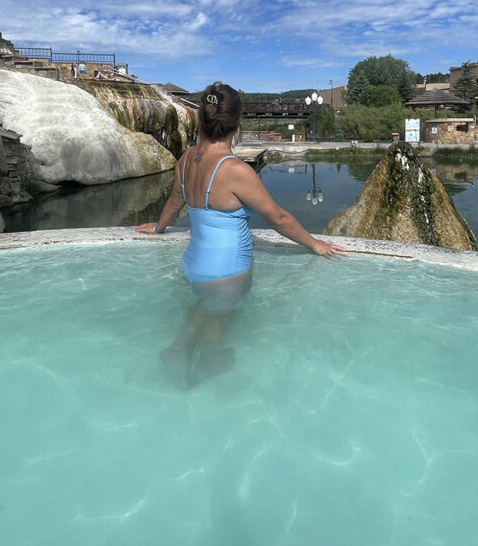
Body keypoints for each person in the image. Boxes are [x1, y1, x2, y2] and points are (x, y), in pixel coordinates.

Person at [136, 81, 345, 385]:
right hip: (227, 270)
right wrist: (315, 244)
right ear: (237, 122)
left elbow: (175, 201)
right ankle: (204, 371)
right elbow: (279, 218)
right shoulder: (234, 170)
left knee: (205, 308)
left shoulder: (187, 160)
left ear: (202, 119)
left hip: (193, 264)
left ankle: (177, 350)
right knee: (215, 338)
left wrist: (158, 227)